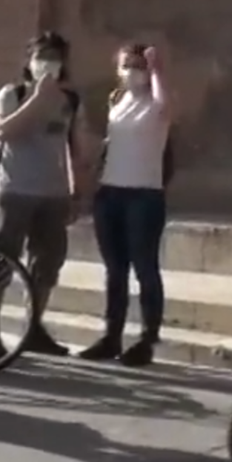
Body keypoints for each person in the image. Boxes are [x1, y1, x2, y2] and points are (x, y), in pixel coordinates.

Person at [0, 31, 89, 357]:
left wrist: (76, 193)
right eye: (41, 56)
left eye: (55, 57)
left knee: (47, 264)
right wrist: (38, 100)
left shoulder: (70, 101)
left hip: (52, 194)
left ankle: (33, 329)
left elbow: (74, 148)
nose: (48, 63)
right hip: (13, 190)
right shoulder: (12, 93)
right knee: (0, 261)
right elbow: (4, 131)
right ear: (29, 62)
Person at [78, 42, 172, 366]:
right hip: (110, 194)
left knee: (145, 267)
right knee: (114, 270)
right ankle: (111, 336)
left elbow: (166, 105)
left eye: (138, 66)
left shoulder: (156, 103)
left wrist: (156, 68)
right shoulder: (116, 101)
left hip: (143, 196)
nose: (133, 72)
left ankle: (147, 338)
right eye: (127, 66)